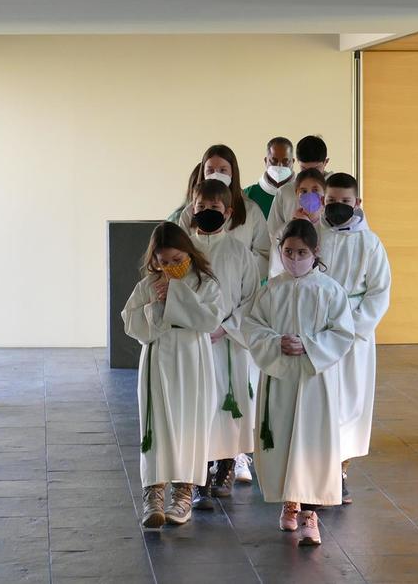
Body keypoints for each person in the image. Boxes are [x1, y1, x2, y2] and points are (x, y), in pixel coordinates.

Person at [243, 219, 355, 547]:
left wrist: (308, 344)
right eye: (288, 252)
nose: (294, 259)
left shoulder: (330, 290)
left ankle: (310, 513)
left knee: (311, 443)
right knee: (282, 439)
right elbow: (252, 327)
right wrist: (275, 342)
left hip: (313, 379)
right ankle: (289, 501)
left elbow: (342, 333)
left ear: (315, 252)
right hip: (279, 377)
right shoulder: (270, 290)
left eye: (301, 252)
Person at [121, 222, 224, 528]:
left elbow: (209, 320)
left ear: (189, 253)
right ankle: (153, 494)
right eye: (163, 261)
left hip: (193, 357)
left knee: (191, 422)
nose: (170, 267)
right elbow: (131, 323)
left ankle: (183, 493)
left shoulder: (205, 283)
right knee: (157, 423)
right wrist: (156, 306)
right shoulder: (149, 285)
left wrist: (177, 296)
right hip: (158, 356)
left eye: (177, 260)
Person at [186, 179, 260, 508]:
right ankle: (200, 472)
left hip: (229, 341)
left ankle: (227, 464)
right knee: (200, 405)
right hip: (194, 341)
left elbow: (250, 298)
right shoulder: (185, 250)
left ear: (228, 212)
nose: (207, 212)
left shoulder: (239, 252)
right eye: (201, 207)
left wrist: (226, 327)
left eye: (214, 208)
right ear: (192, 209)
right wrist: (198, 325)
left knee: (229, 405)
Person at [319, 173, 391, 505]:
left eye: (345, 202)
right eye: (331, 201)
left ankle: (341, 471)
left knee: (349, 400)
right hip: (317, 331)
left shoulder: (370, 243)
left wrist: (352, 328)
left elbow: (379, 292)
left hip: (353, 334)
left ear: (357, 203)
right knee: (319, 401)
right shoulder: (315, 235)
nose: (337, 207)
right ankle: (316, 468)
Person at [178, 145, 270, 278]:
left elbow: (264, 255)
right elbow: (179, 253)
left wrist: (236, 269)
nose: (216, 175)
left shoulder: (250, 210)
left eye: (223, 170)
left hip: (237, 283)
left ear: (232, 172)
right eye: (210, 170)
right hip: (198, 283)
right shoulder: (189, 213)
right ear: (203, 173)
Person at [267, 135, 330, 246]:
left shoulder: (336, 191)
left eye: (316, 169)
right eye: (304, 169)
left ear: (326, 162)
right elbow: (273, 233)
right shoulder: (285, 192)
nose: (310, 174)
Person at [267, 168, 327, 278]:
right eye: (303, 191)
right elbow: (276, 271)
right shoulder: (283, 231)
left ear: (324, 194)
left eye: (315, 190)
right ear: (296, 194)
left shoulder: (329, 229)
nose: (309, 195)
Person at [243, 136, 295, 219]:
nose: (279, 166)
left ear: (292, 162)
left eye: (285, 161)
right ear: (266, 161)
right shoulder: (247, 195)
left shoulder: (302, 193)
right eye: (274, 161)